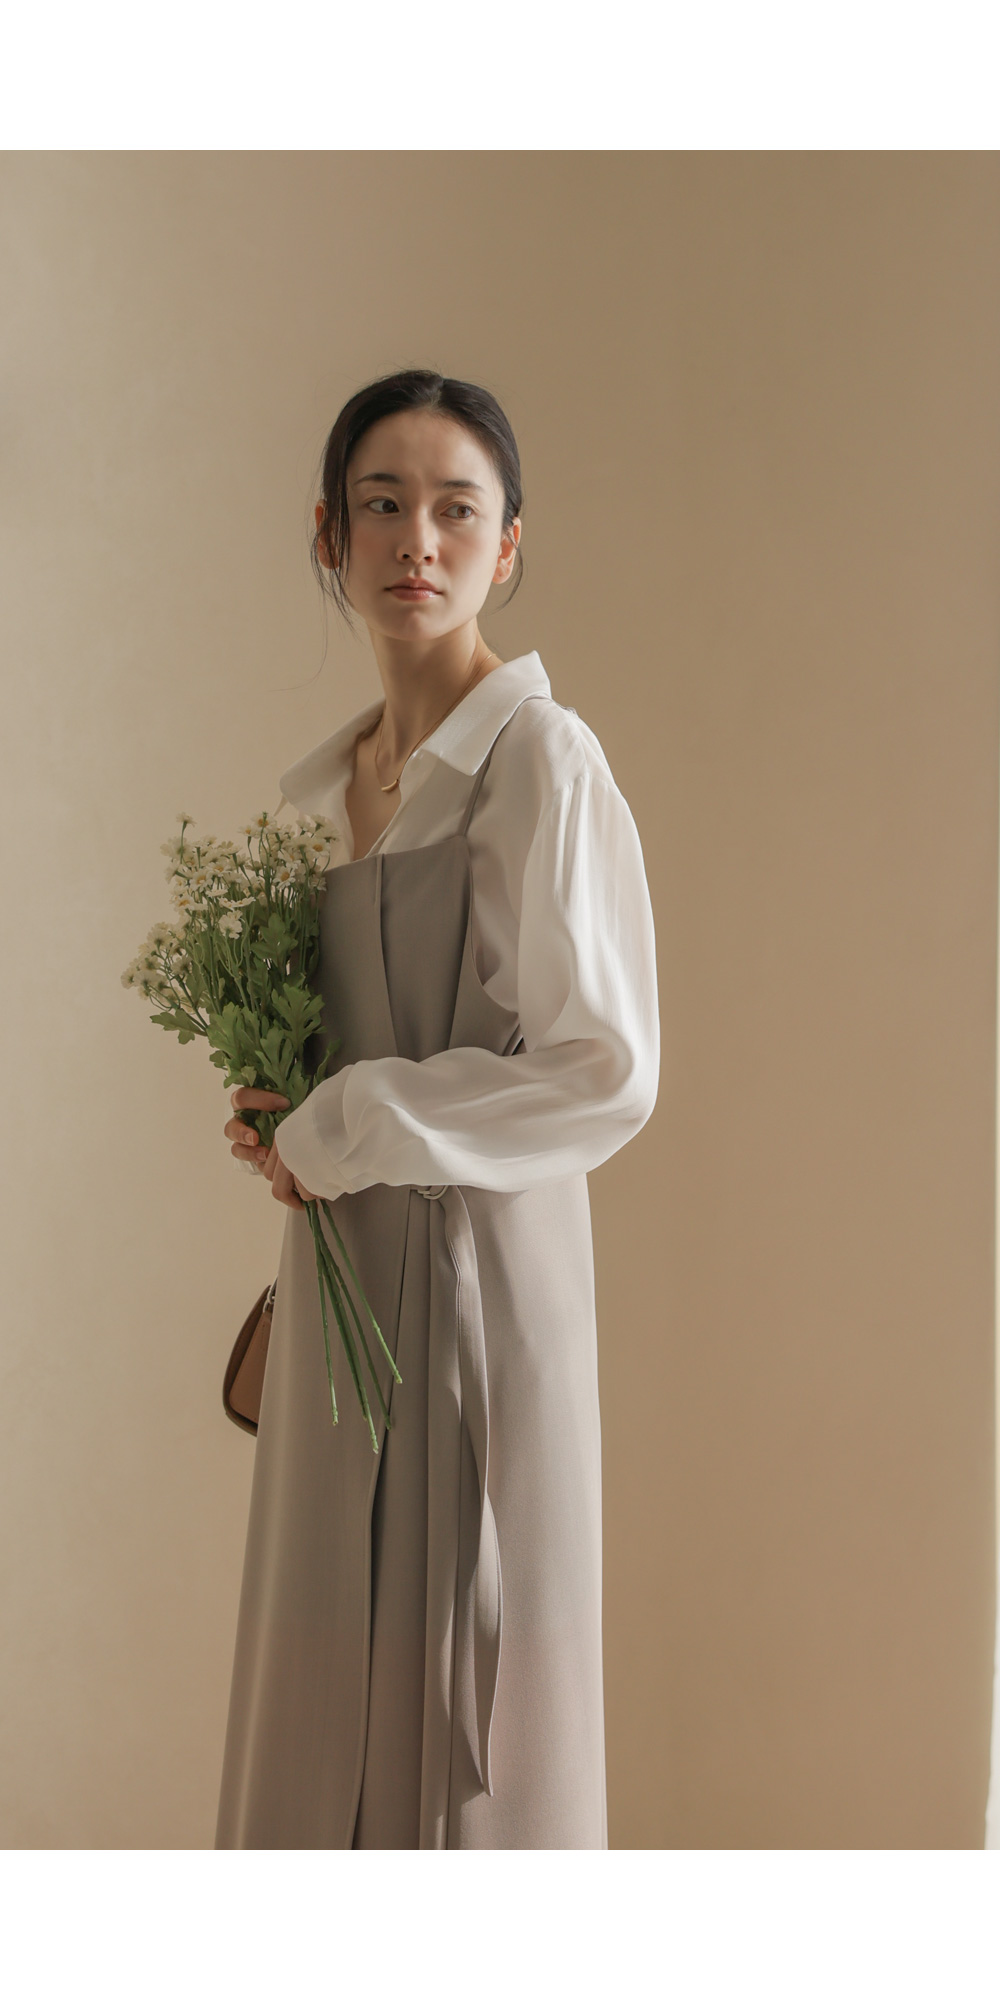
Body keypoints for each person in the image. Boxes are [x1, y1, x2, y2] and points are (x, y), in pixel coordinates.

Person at [214, 368, 660, 1850]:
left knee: (471, 1716)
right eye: (382, 504)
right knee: (320, 1694)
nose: (418, 539)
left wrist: (348, 1124)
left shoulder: (540, 759)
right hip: (341, 1289)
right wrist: (284, 1121)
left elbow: (604, 1066)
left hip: (480, 1297)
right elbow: (360, 1062)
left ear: (507, 545)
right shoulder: (336, 784)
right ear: (327, 536)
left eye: (457, 510)